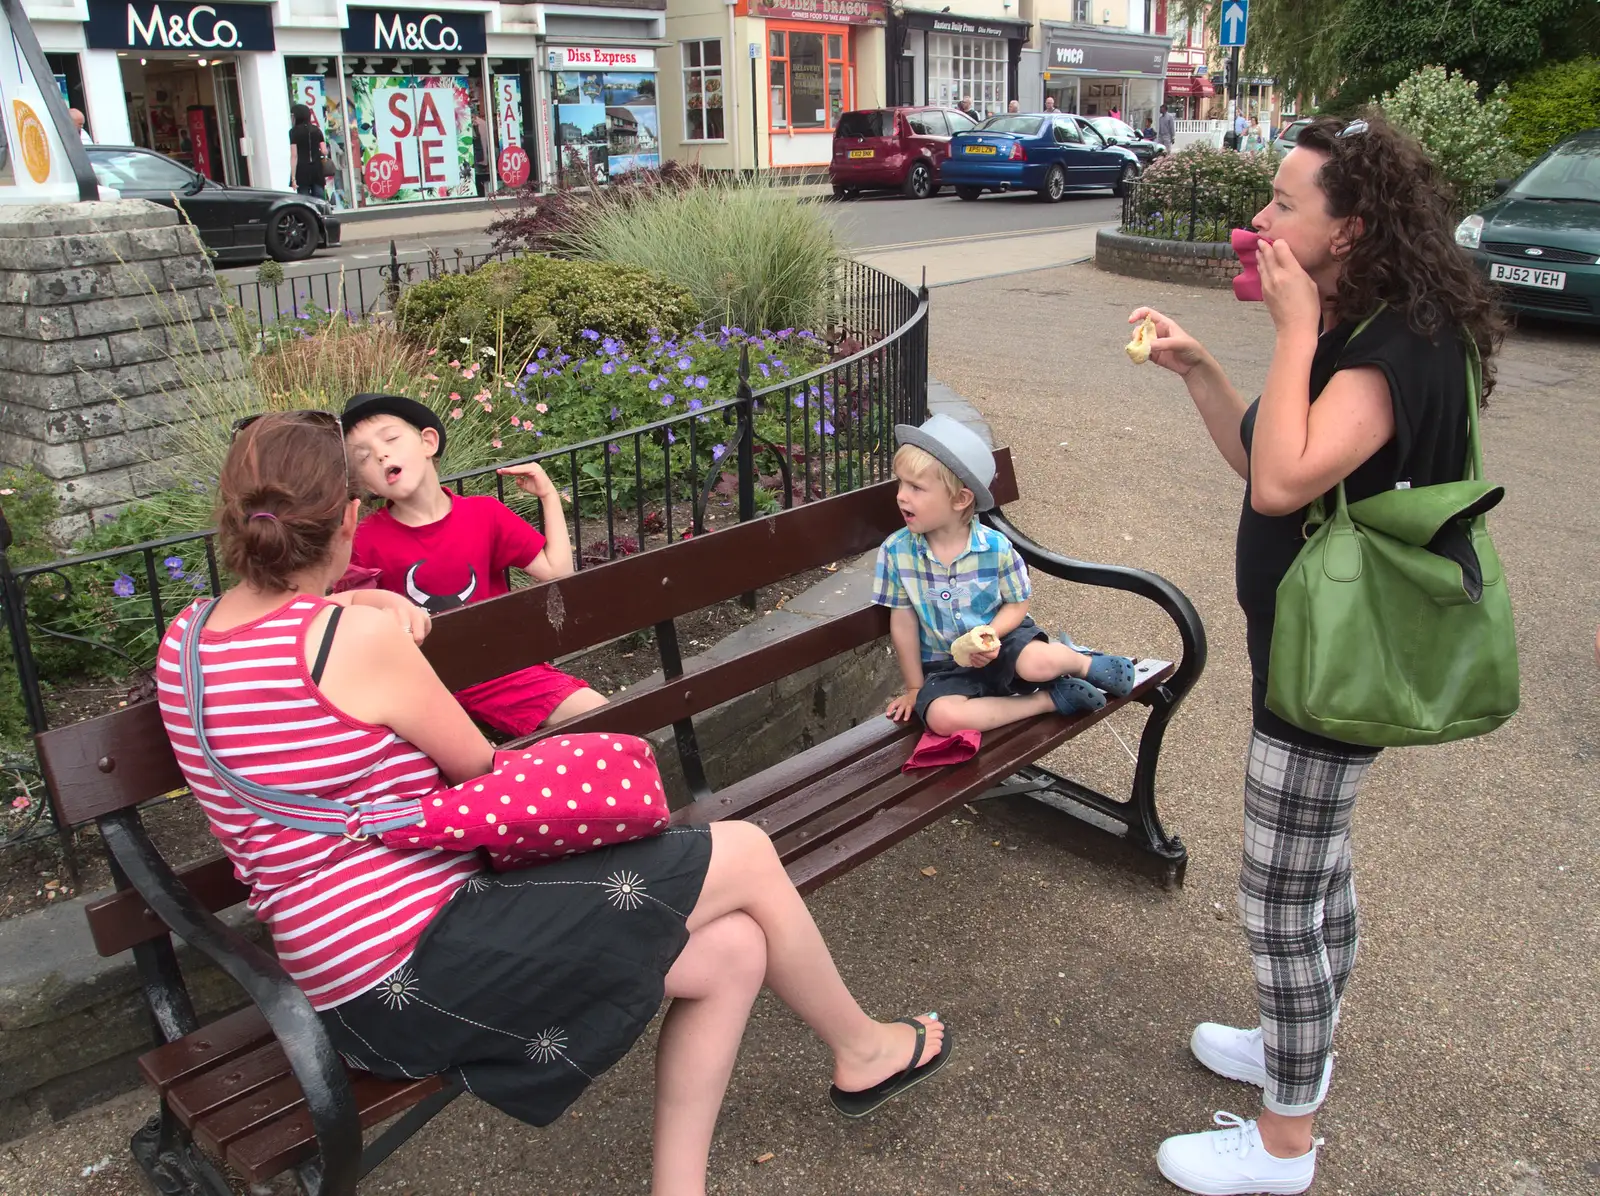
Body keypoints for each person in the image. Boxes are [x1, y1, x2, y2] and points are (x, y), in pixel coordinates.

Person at [157, 411, 952, 1196]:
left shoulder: (185, 641)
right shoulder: (352, 644)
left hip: (335, 990)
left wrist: (359, 603)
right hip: (414, 966)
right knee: (740, 850)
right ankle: (864, 1048)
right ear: (350, 521)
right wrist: (364, 615)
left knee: (736, 950)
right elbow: (478, 770)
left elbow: (285, 640)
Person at [1128, 114, 1501, 1193]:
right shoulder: (1376, 319)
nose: (1260, 217)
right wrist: (1203, 370)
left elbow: (1284, 484)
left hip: (1330, 672)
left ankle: (1284, 1141)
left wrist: (1291, 331)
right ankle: (1300, 1045)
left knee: (1280, 896)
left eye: (1285, 201)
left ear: (1352, 226)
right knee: (1316, 872)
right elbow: (1268, 454)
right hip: (1314, 650)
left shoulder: (1391, 349)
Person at [339, 393, 607, 735]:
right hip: (420, 690)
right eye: (363, 456)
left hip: (499, 674)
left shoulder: (484, 514)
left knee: (604, 718)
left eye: (390, 438)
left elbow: (557, 572)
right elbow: (353, 629)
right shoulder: (363, 540)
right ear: (363, 483)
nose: (379, 453)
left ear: (428, 441)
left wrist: (549, 496)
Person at [873, 415, 1137, 735]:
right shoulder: (897, 553)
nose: (901, 495)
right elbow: (902, 622)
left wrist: (991, 635)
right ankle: (1049, 700)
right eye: (901, 482)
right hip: (946, 667)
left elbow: (1017, 602)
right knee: (942, 719)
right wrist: (915, 688)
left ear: (960, 499)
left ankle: (1085, 664)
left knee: (1037, 663)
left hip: (1006, 641)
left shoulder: (994, 547)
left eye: (916, 487)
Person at [288, 102, 327, 199]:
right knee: (319, 197)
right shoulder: (316, 130)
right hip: (316, 169)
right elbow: (324, 150)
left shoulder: (294, 132)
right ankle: (320, 213)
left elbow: (294, 155)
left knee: (304, 198)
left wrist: (293, 178)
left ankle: (307, 214)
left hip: (301, 170)